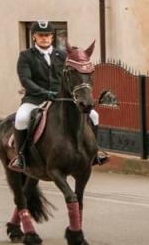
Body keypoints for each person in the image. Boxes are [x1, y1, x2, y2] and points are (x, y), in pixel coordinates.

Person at [11, 21, 110, 169]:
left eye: (47, 35)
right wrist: (45, 93)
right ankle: (21, 157)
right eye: (41, 35)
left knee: (94, 115)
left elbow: (70, 77)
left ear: (52, 37)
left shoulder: (63, 55)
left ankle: (94, 153)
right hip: (35, 99)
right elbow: (26, 80)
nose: (44, 38)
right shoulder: (26, 56)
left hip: (61, 98)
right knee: (21, 118)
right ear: (34, 37)